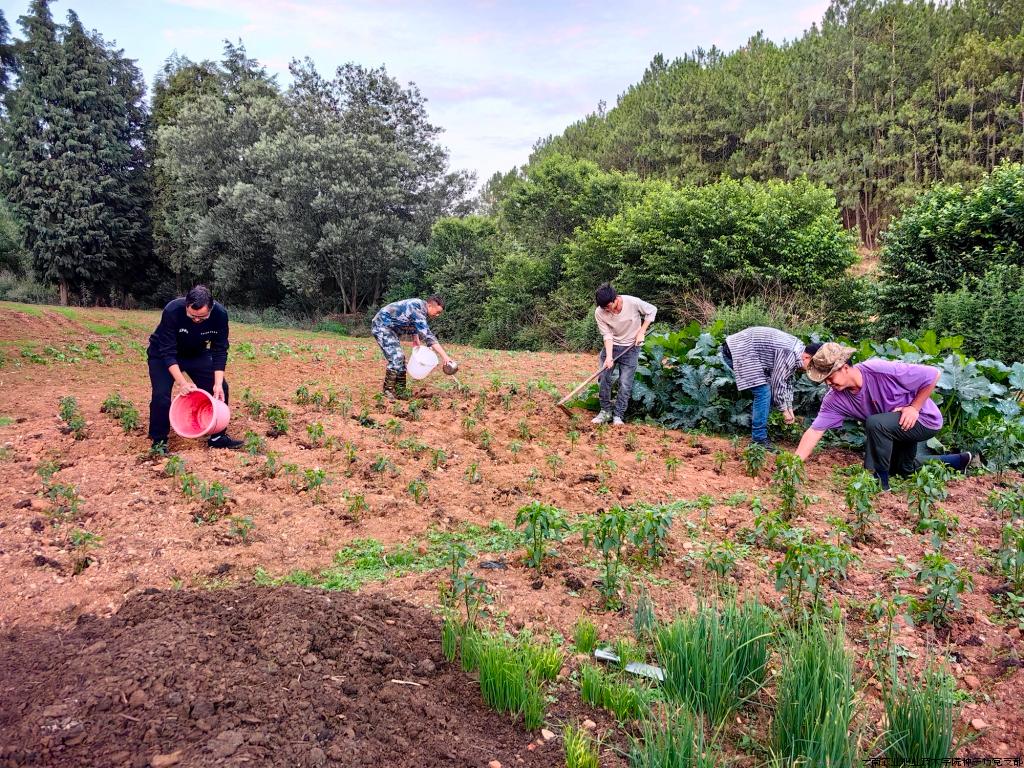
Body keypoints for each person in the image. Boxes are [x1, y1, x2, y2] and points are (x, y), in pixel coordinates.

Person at [794, 342, 972, 490]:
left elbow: (933, 374)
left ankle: (879, 483)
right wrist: (793, 464)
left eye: (830, 376)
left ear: (845, 367)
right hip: (894, 428)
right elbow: (815, 431)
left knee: (875, 423)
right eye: (824, 379)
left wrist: (914, 408)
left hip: (923, 420)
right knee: (903, 469)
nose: (828, 383)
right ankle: (958, 461)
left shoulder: (878, 370)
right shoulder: (834, 399)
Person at [147, 285, 242, 451]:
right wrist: (182, 383)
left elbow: (219, 350)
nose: (197, 320)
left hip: (196, 353)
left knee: (222, 389)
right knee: (161, 396)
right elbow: (168, 352)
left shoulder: (220, 315)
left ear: (211, 309)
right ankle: (159, 441)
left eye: (202, 317)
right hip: (162, 355)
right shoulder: (172, 310)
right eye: (192, 315)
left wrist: (217, 383)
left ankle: (217, 436)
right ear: (186, 305)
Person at [720, 327, 821, 450]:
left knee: (766, 390)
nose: (812, 370)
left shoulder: (797, 350)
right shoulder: (788, 353)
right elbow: (777, 383)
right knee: (763, 392)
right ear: (806, 358)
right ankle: (759, 440)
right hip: (737, 350)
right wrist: (784, 410)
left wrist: (789, 407)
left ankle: (760, 434)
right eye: (813, 366)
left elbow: (787, 381)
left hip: (747, 350)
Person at [592, 284, 657, 426]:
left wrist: (641, 332)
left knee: (625, 383)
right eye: (605, 308)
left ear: (616, 299)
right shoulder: (599, 312)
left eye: (610, 306)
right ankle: (605, 411)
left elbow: (652, 310)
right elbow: (607, 335)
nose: (609, 310)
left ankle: (618, 416)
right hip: (612, 346)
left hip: (631, 348)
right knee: (603, 378)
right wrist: (609, 357)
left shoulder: (632, 302)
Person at [371, 295, 455, 399]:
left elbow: (412, 322)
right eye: (437, 312)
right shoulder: (416, 307)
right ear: (430, 305)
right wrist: (445, 357)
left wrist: (415, 339)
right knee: (396, 357)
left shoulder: (421, 309)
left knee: (401, 359)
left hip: (390, 329)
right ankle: (387, 391)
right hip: (382, 326)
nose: (437, 315)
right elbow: (428, 336)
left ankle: (400, 391)